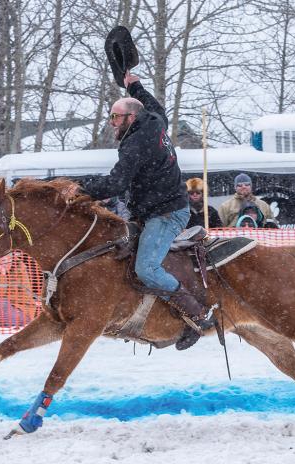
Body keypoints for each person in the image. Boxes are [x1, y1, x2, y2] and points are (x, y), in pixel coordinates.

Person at [77, 70, 212, 351]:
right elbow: (156, 106)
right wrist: (134, 84)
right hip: (150, 208)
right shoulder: (154, 121)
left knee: (146, 268)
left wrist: (78, 189)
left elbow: (116, 183)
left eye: (115, 117)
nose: (111, 122)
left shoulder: (137, 143)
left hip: (166, 213)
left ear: (131, 118)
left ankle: (197, 315)